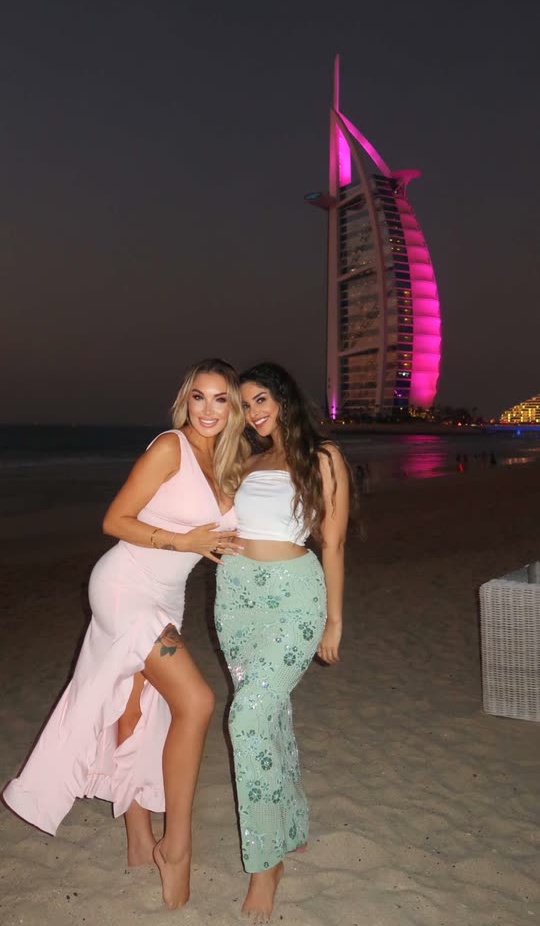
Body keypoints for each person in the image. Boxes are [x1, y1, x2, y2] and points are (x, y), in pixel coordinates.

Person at [3, 358, 247, 911]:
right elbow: (115, 520)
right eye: (199, 397)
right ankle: (176, 847)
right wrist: (182, 542)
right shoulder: (170, 448)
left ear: (233, 408)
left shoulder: (227, 463)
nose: (208, 410)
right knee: (197, 701)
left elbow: (229, 537)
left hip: (167, 597)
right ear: (186, 400)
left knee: (136, 709)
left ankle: (138, 836)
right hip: (125, 587)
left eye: (220, 399)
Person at [214, 362, 350, 922]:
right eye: (245, 404)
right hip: (235, 597)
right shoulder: (245, 461)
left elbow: (333, 543)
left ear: (284, 398)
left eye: (261, 399)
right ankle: (290, 823)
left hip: (295, 597)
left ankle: (266, 863)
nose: (253, 413)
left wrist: (334, 620)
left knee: (246, 716)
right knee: (269, 715)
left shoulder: (323, 457)